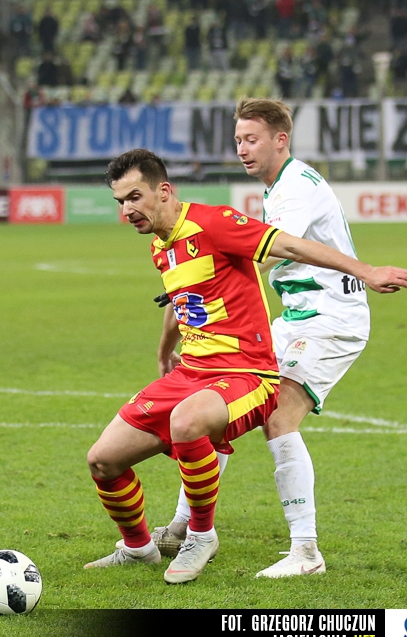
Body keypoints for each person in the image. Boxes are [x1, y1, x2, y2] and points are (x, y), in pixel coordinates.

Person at [85, 148, 407, 584]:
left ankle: (200, 536)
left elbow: (291, 244)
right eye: (120, 202)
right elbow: (182, 300)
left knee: (187, 422)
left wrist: (366, 270)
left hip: (246, 374)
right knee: (103, 460)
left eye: (134, 197)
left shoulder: (215, 223)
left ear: (163, 191)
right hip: (192, 374)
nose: (127, 210)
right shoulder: (161, 247)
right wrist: (165, 350)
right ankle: (139, 548)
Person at [153, 98, 390, 578]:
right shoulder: (281, 185)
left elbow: (270, 250)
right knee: (220, 410)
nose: (242, 148)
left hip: (330, 318)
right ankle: (184, 526)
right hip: (295, 318)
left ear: (281, 140)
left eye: (252, 139)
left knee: (278, 418)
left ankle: (306, 552)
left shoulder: (295, 187)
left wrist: (206, 273)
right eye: (238, 140)